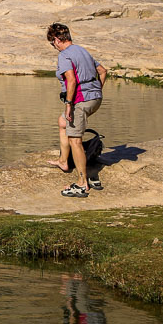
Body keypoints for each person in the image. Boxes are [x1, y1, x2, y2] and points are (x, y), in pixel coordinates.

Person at [45, 23, 106, 197]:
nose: (54, 47)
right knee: (63, 122)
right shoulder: (82, 50)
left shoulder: (65, 55)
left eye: (52, 43)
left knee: (75, 140)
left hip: (80, 100)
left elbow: (71, 81)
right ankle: (64, 161)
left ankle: (82, 183)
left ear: (57, 40)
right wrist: (96, 91)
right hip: (95, 98)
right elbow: (102, 71)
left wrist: (69, 104)